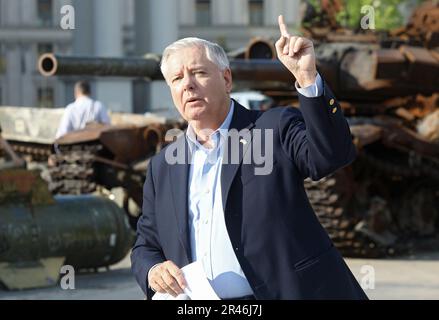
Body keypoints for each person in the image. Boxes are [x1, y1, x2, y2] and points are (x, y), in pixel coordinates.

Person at [131, 15, 368, 300]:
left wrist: (306, 78)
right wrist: (152, 270)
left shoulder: (273, 127)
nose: (188, 85)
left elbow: (331, 155)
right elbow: (146, 245)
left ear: (227, 79)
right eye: (177, 79)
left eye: (199, 73)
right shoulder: (164, 165)